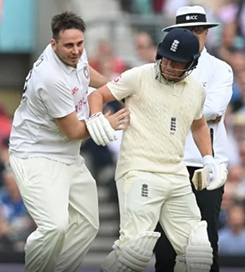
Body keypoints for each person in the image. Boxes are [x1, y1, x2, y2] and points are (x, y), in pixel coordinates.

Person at [88, 28, 223, 272]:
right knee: (133, 253)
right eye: (166, 59)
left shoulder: (196, 90)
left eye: (177, 63)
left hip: (176, 174)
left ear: (191, 64)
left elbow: (200, 125)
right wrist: (97, 117)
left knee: (198, 251)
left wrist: (208, 159)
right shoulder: (138, 76)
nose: (169, 66)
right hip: (139, 170)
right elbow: (97, 94)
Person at [8, 11, 129, 272]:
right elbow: (73, 131)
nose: (75, 51)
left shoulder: (75, 53)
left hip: (67, 155)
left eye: (79, 44)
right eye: (69, 46)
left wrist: (116, 90)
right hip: (35, 155)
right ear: (53, 45)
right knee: (54, 227)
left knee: (87, 223)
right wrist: (106, 123)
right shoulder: (50, 78)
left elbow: (86, 73)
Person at [154, 5, 233, 272]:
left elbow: (215, 109)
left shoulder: (220, 69)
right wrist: (198, 113)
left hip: (205, 165)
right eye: (187, 30)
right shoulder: (162, 66)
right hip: (168, 163)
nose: (195, 34)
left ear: (206, 33)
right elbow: (205, 113)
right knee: (164, 248)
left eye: (199, 29)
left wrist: (172, 110)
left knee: (205, 246)